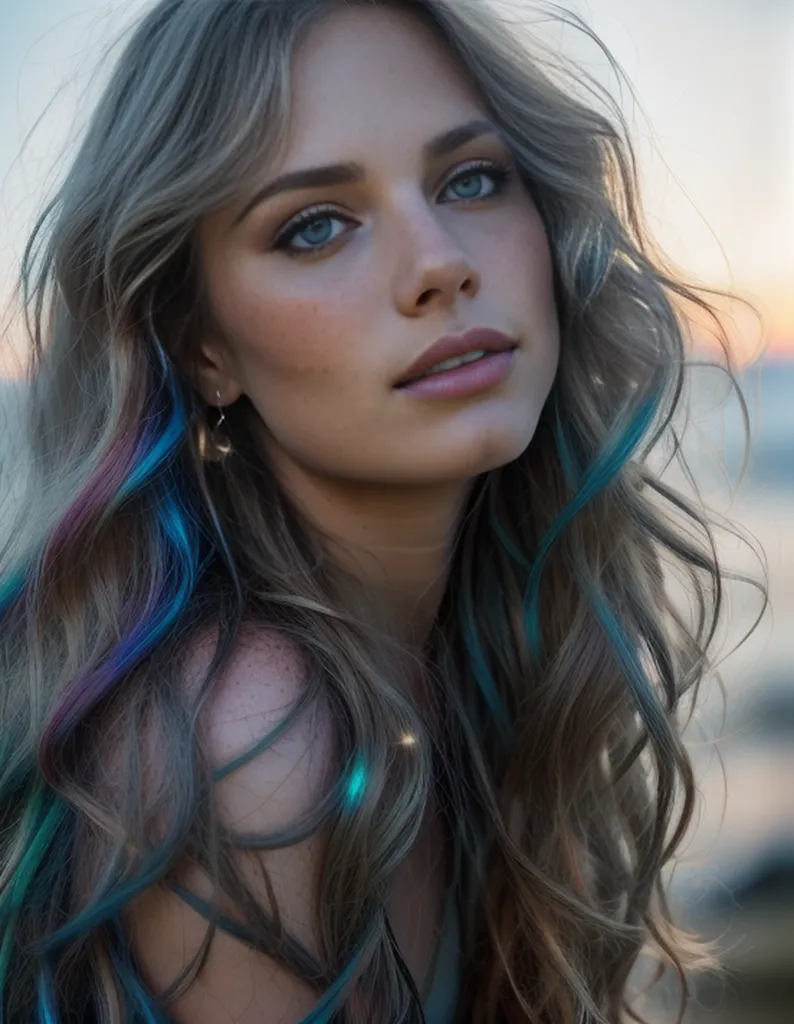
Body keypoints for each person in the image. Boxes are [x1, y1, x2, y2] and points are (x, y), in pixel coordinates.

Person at [0, 0, 765, 1021]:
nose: (440, 261)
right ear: (201, 346)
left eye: (471, 178)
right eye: (314, 226)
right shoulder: (250, 743)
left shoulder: (459, 659)